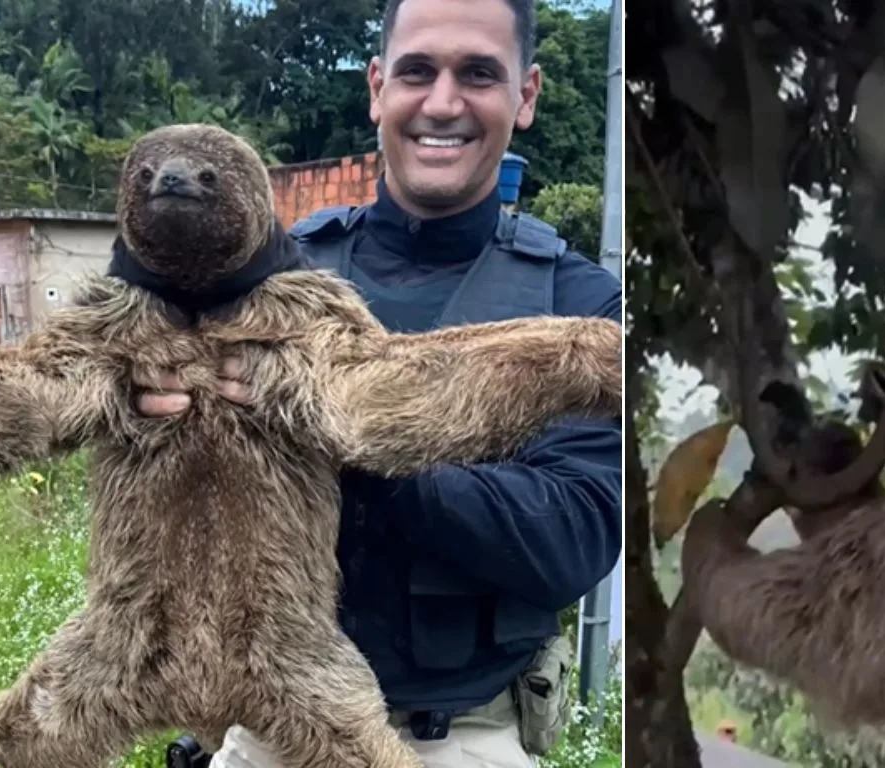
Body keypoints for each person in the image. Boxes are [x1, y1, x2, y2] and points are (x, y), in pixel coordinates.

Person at [135, 0, 622, 765]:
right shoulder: (271, 270)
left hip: (464, 733)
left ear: (525, 96)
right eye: (418, 71)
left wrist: (353, 443)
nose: (442, 102)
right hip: (270, 728)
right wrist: (145, 401)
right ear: (376, 87)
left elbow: (575, 537)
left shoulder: (580, 304)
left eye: (479, 74)